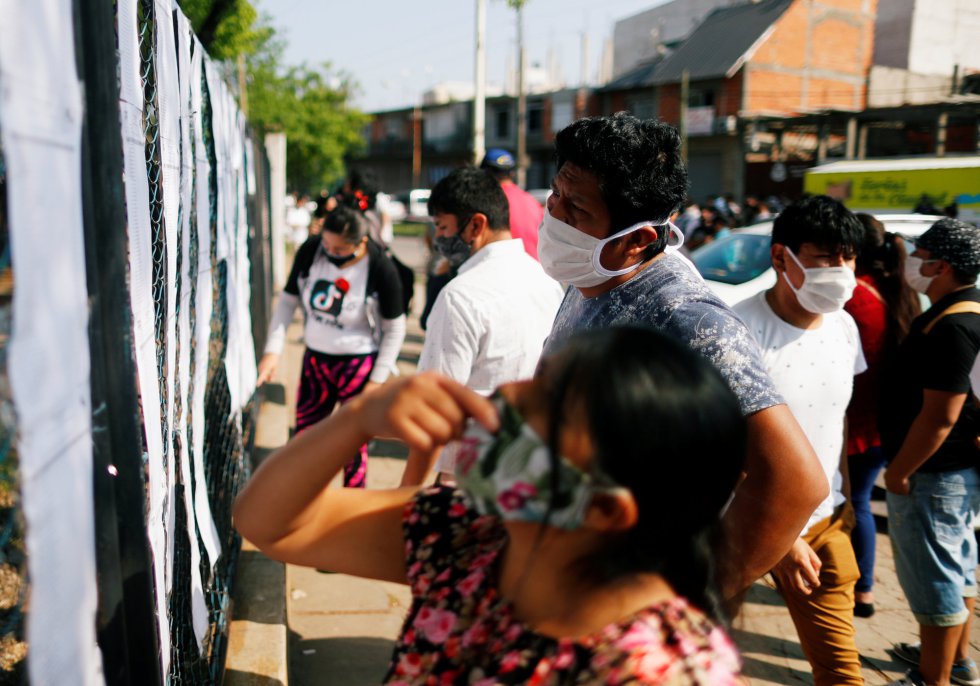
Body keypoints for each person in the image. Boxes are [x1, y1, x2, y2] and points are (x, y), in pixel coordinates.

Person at [234, 326, 747, 684]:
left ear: (604, 510)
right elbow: (271, 523)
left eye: (547, 400)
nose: (507, 392)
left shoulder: (659, 673)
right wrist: (357, 420)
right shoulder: (466, 532)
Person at [540, 112, 827, 597]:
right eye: (556, 193)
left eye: (577, 209)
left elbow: (794, 481)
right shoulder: (591, 274)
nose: (555, 213)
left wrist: (695, 602)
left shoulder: (687, 319)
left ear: (638, 241)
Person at [733, 195, 866, 686]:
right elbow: (722, 443)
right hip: (740, 526)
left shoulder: (845, 327)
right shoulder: (734, 330)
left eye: (848, 257)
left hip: (823, 523)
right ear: (780, 258)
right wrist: (781, 537)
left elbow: (838, 418)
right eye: (824, 257)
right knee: (698, 662)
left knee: (842, 671)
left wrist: (849, 500)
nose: (841, 269)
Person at [411, 167, 563, 483]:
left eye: (442, 227)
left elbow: (435, 411)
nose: (439, 238)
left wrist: (404, 497)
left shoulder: (459, 296)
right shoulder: (546, 282)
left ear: (476, 224)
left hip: (471, 473)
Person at [880, 218, 980, 686]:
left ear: (940, 266)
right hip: (955, 471)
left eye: (920, 258)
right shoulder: (967, 309)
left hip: (935, 474)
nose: (913, 265)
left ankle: (932, 678)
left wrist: (900, 472)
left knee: (936, 579)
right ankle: (955, 662)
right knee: (957, 568)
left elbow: (940, 415)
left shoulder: (953, 325)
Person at [256, 205, 406, 488]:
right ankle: (302, 497)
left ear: (360, 243)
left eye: (339, 250)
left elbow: (394, 328)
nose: (329, 252)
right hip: (315, 360)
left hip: (357, 365)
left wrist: (377, 381)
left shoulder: (381, 268)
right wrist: (272, 351)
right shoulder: (312, 250)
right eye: (326, 244)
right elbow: (288, 302)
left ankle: (351, 504)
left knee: (352, 441)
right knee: (305, 436)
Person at [844, 214, 921, 619]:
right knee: (858, 502)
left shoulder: (855, 297)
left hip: (854, 423)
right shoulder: (901, 293)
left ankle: (858, 588)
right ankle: (865, 591)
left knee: (852, 505)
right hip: (882, 425)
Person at [481, 147, 544, 260]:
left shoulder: (486, 200)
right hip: (535, 270)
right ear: (512, 174)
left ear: (484, 173)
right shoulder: (531, 200)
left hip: (504, 269)